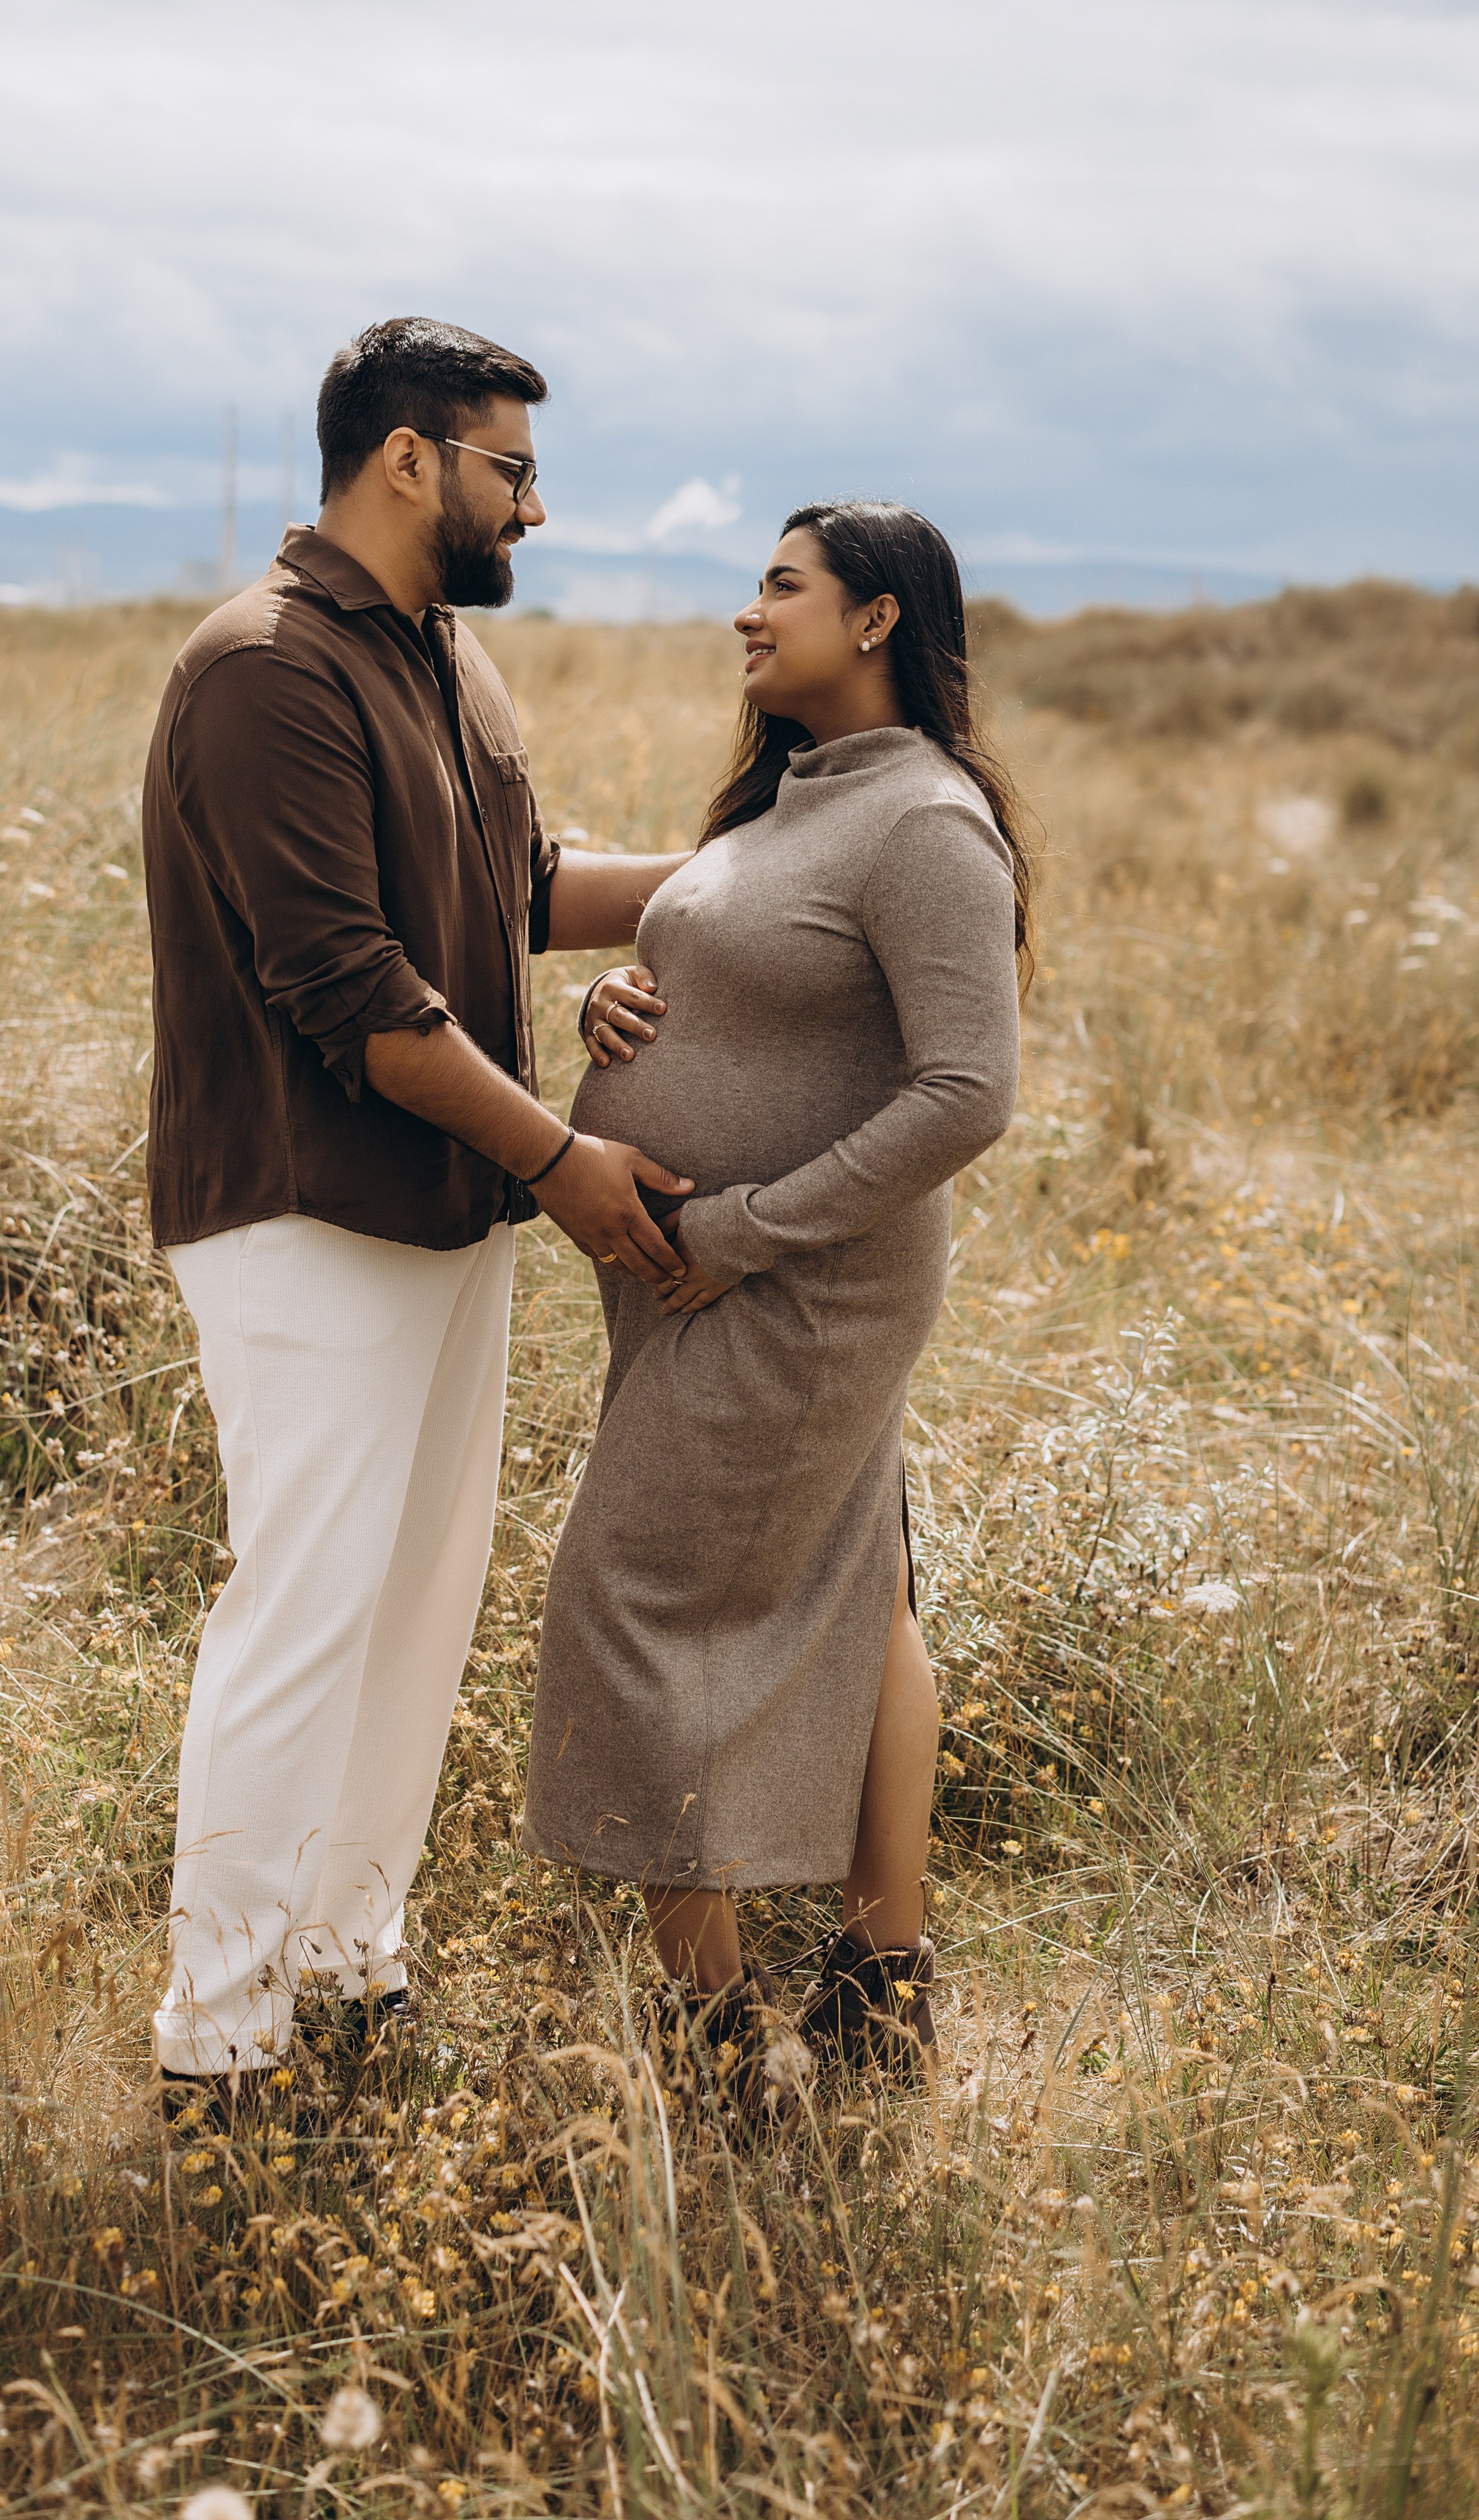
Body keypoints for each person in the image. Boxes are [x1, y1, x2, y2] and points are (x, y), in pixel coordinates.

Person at [142, 317, 694, 2092]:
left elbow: (519, 891)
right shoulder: (264, 671)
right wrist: (562, 1160)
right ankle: (220, 2049)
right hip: (306, 1217)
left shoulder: (452, 661)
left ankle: (350, 1965)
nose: (533, 508)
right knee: (302, 1612)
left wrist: (760, 876)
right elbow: (357, 993)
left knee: (413, 1612)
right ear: (405, 458)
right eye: (509, 471)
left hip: (450, 1221)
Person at [521, 499, 1031, 2084]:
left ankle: (713, 2036)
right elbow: (734, 969)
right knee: (857, 1598)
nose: (749, 615)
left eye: (780, 587)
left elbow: (967, 1093)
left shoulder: (925, 826)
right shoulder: (797, 800)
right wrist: (619, 998)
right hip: (718, 1286)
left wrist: (744, 1229)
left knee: (632, 1606)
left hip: (790, 1292)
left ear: (874, 620)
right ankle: (880, 1992)